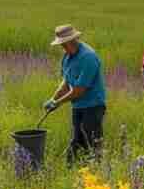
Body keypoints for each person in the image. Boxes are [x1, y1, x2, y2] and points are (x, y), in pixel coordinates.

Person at [44, 25, 107, 163]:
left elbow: (79, 90)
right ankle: (72, 170)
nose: (62, 48)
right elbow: (66, 83)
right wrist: (53, 99)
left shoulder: (88, 57)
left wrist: (58, 103)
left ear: (72, 41)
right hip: (78, 106)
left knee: (93, 143)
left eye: (64, 45)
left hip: (93, 106)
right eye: (61, 45)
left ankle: (98, 171)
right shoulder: (68, 57)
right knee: (77, 141)